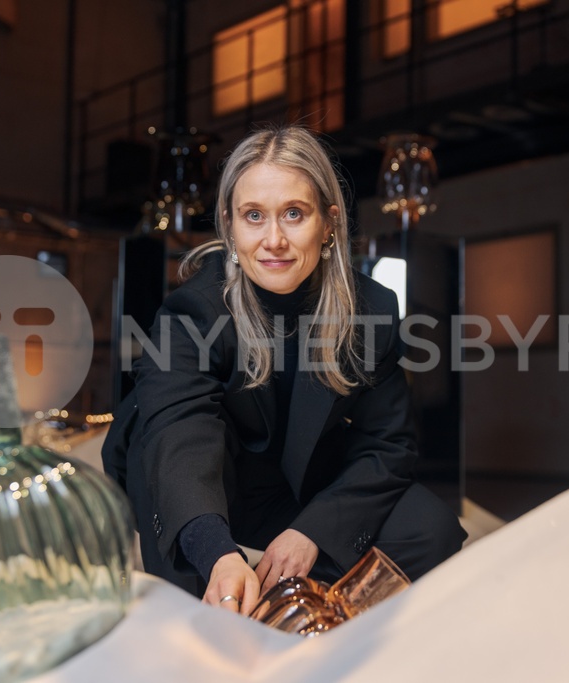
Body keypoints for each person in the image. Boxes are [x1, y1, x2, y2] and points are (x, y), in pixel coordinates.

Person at [102, 124, 465, 616]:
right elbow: (180, 434)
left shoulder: (371, 308)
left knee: (431, 527)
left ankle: (304, 616)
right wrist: (217, 553)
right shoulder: (194, 310)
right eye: (254, 216)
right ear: (230, 225)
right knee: (156, 444)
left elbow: (387, 444)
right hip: (198, 477)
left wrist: (313, 531)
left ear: (328, 223)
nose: (274, 240)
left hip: (293, 478)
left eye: (294, 213)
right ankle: (220, 598)